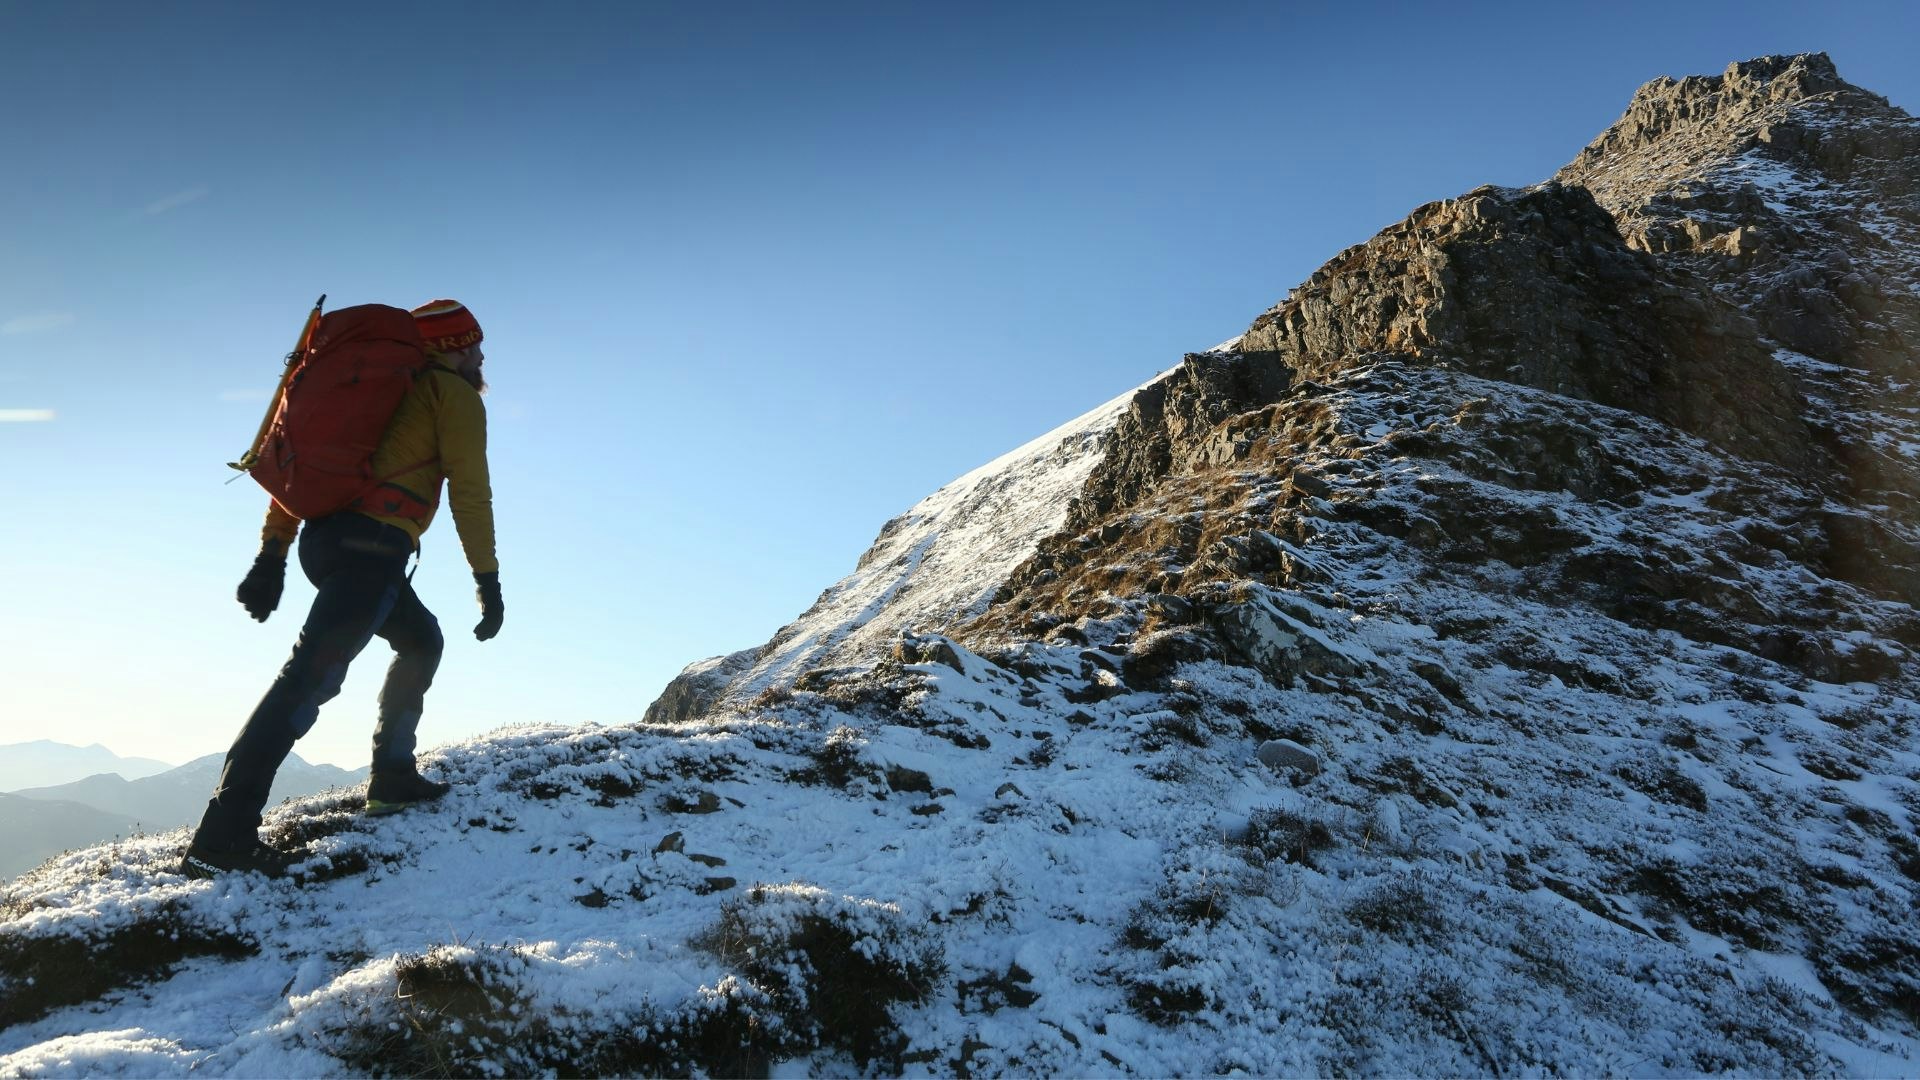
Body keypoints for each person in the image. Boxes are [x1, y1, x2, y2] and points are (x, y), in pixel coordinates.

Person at [182, 299, 505, 879]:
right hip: (373, 549)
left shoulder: (377, 395)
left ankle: (392, 778)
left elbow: (303, 472)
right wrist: (488, 579)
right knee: (307, 680)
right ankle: (222, 836)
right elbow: (470, 492)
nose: (482, 356)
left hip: (328, 543)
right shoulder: (449, 395)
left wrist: (273, 555)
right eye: (475, 345)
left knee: (420, 640)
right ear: (454, 347)